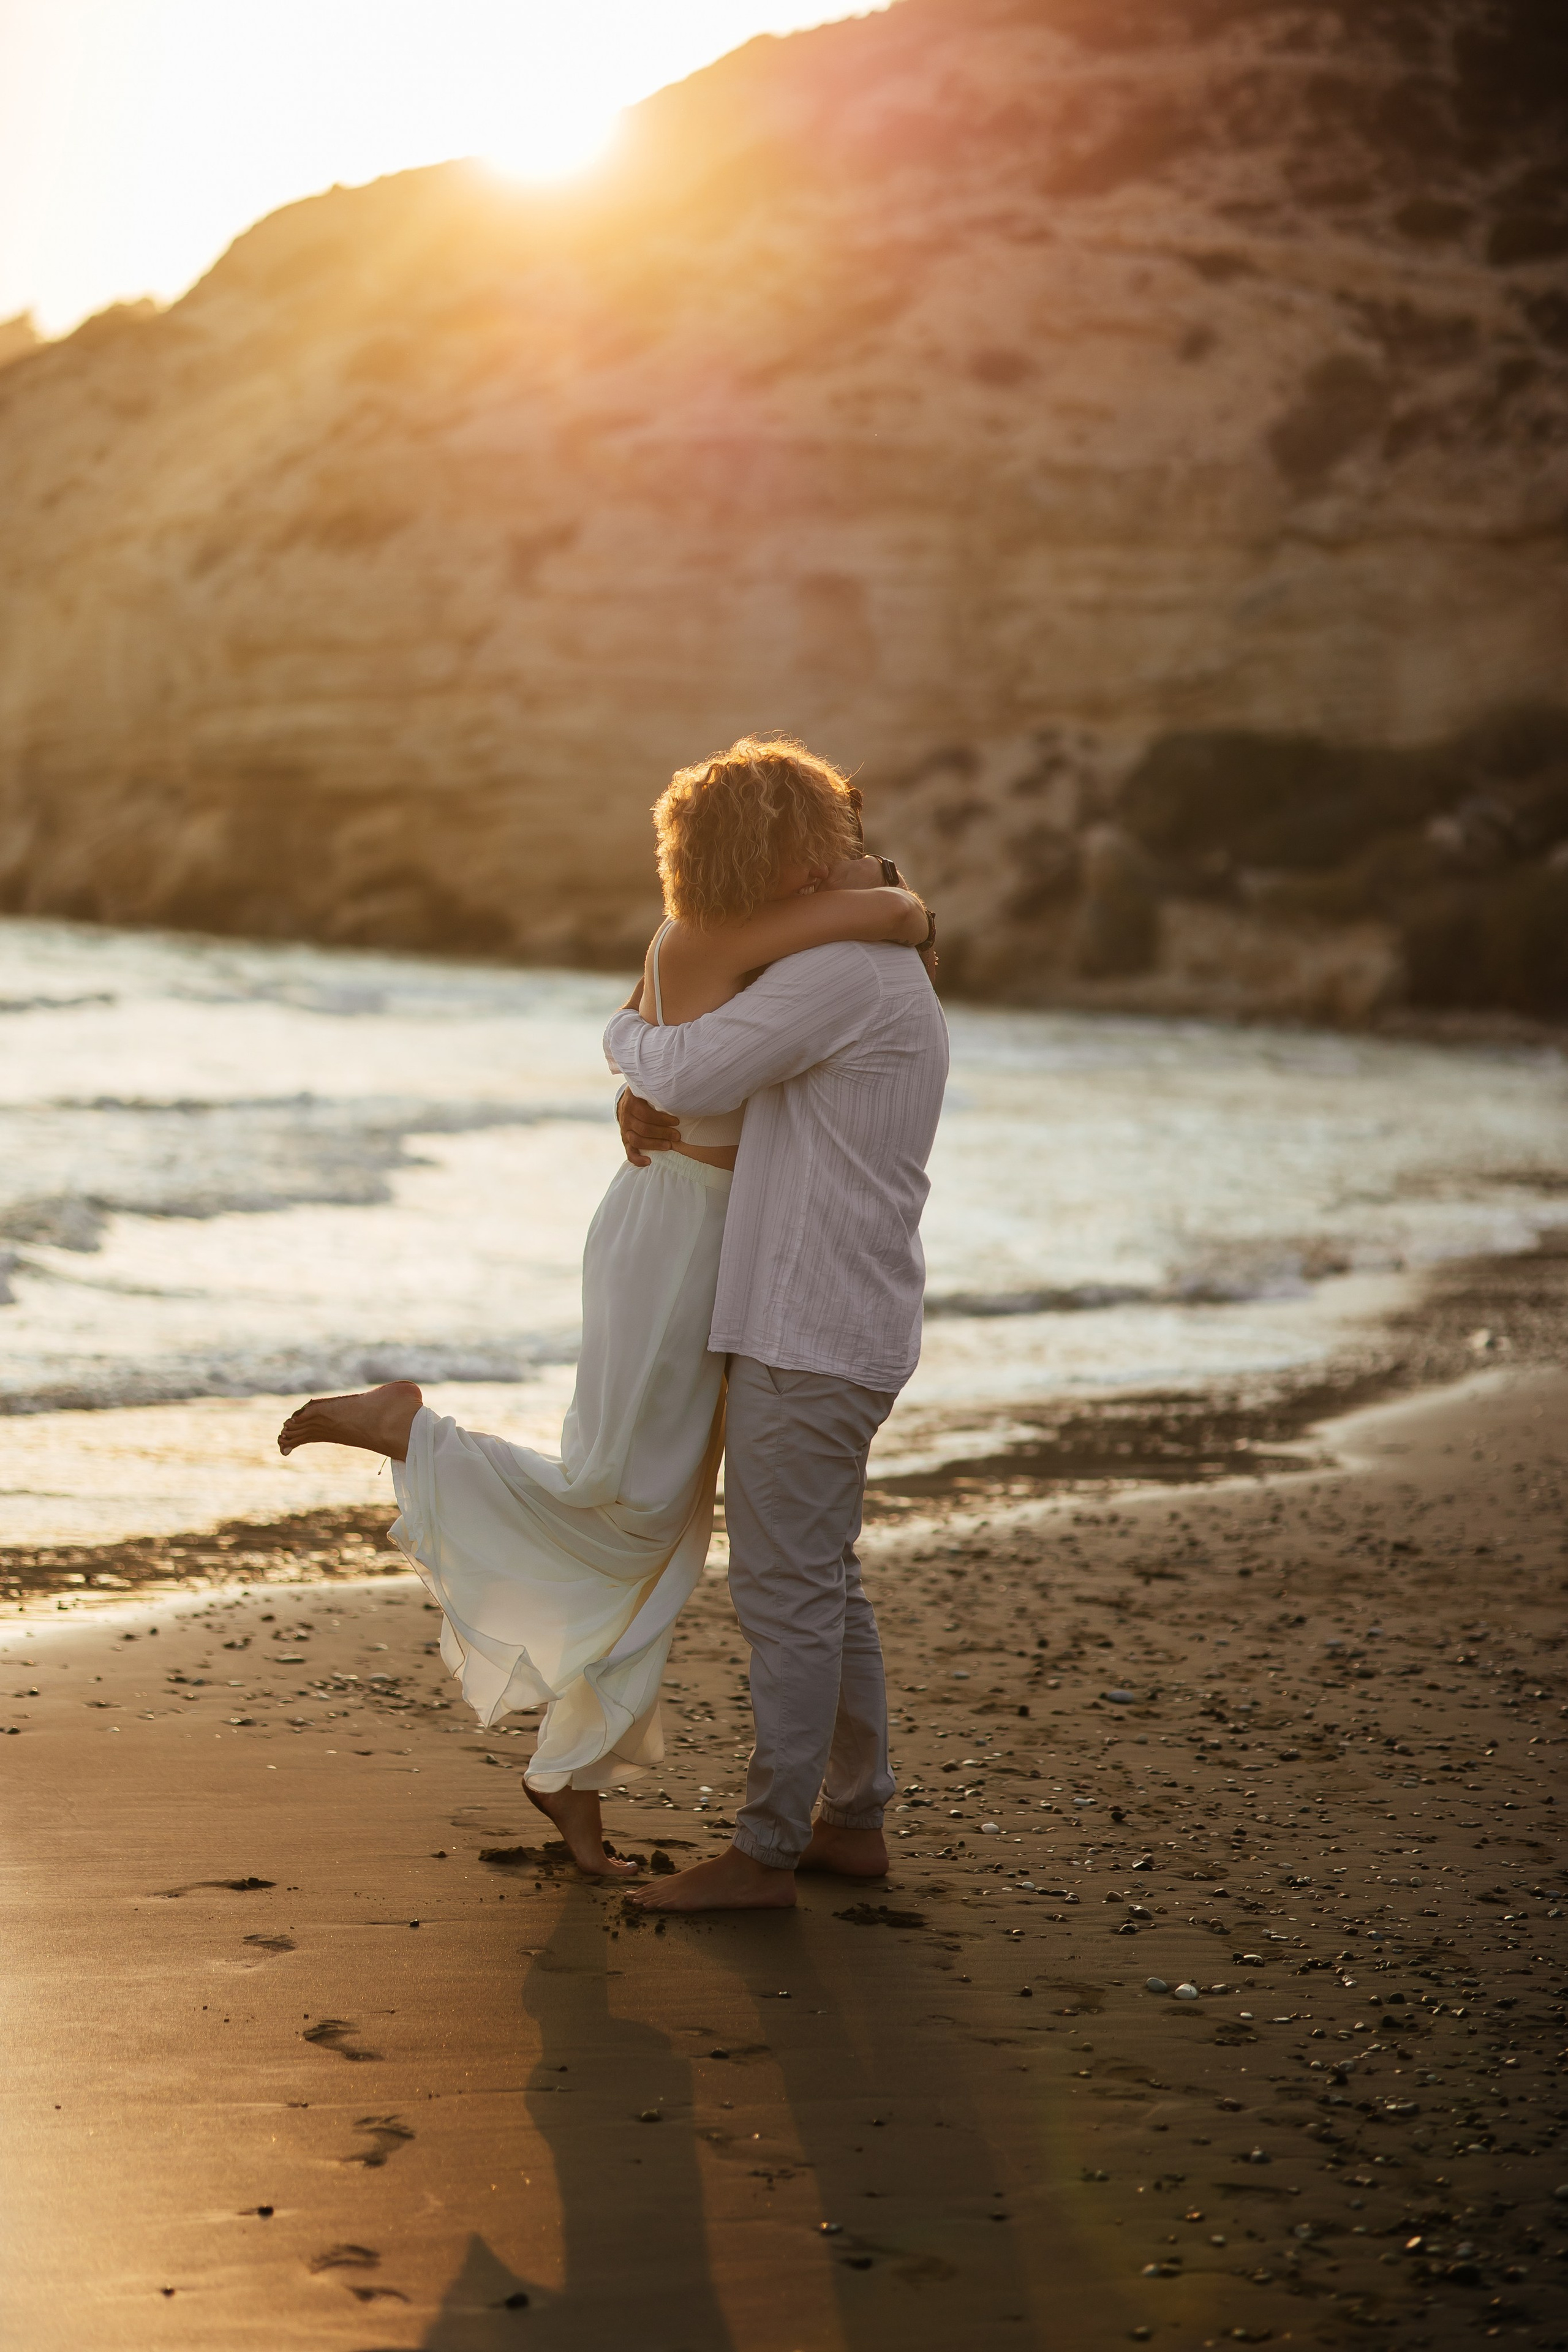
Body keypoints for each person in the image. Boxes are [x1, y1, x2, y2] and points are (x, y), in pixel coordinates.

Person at [276, 738, 929, 1882]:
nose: (847, 857)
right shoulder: (771, 946)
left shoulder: (789, 955)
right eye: (826, 839)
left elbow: (700, 1051)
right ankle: (417, 1440)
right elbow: (709, 1046)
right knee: (633, 1503)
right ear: (777, 854)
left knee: (693, 1529)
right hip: (690, 1252)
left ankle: (730, 1802)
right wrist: (642, 1056)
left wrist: (634, 1054)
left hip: (730, 1263)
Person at [608, 777, 949, 1915]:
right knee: (822, 1581)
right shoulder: (856, 960)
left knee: (788, 1594)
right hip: (842, 1316)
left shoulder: (837, 973)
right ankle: (851, 1823)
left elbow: (682, 1068)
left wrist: (617, 1037)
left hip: (811, 1325)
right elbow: (710, 1077)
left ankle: (764, 1855)